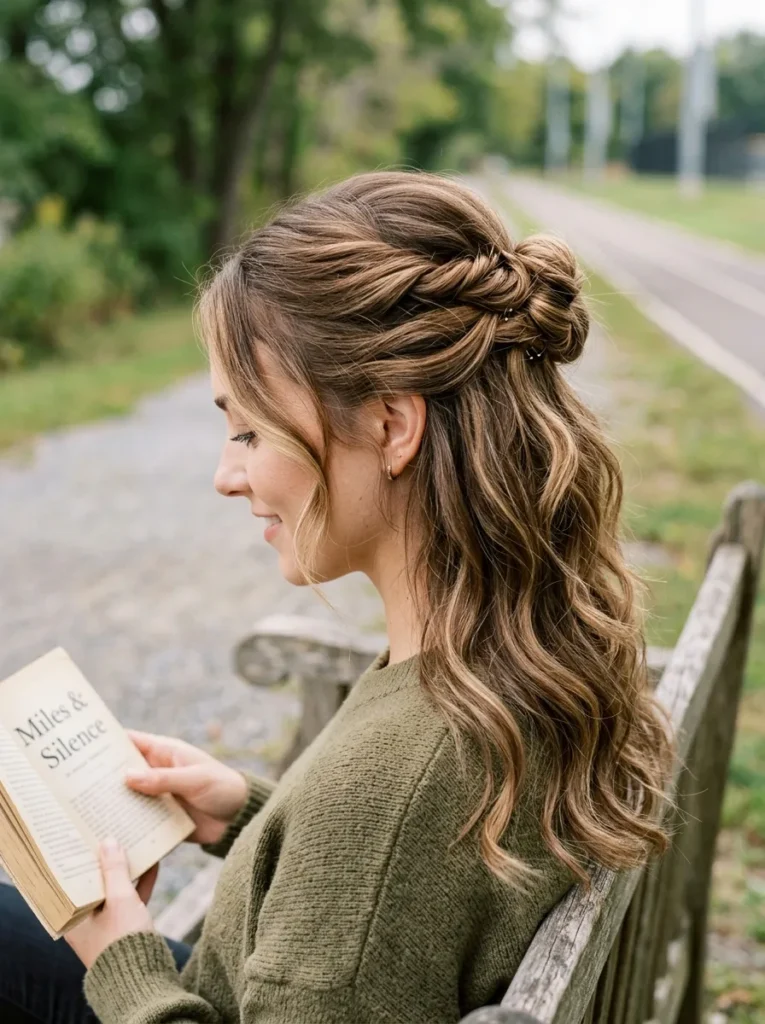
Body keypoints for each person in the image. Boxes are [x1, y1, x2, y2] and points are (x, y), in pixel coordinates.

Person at [0, 170, 672, 1024]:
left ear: (390, 427)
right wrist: (254, 817)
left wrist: (122, 964)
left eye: (249, 429)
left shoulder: (388, 784)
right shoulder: (517, 652)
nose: (225, 475)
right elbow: (387, 908)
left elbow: (375, 861)